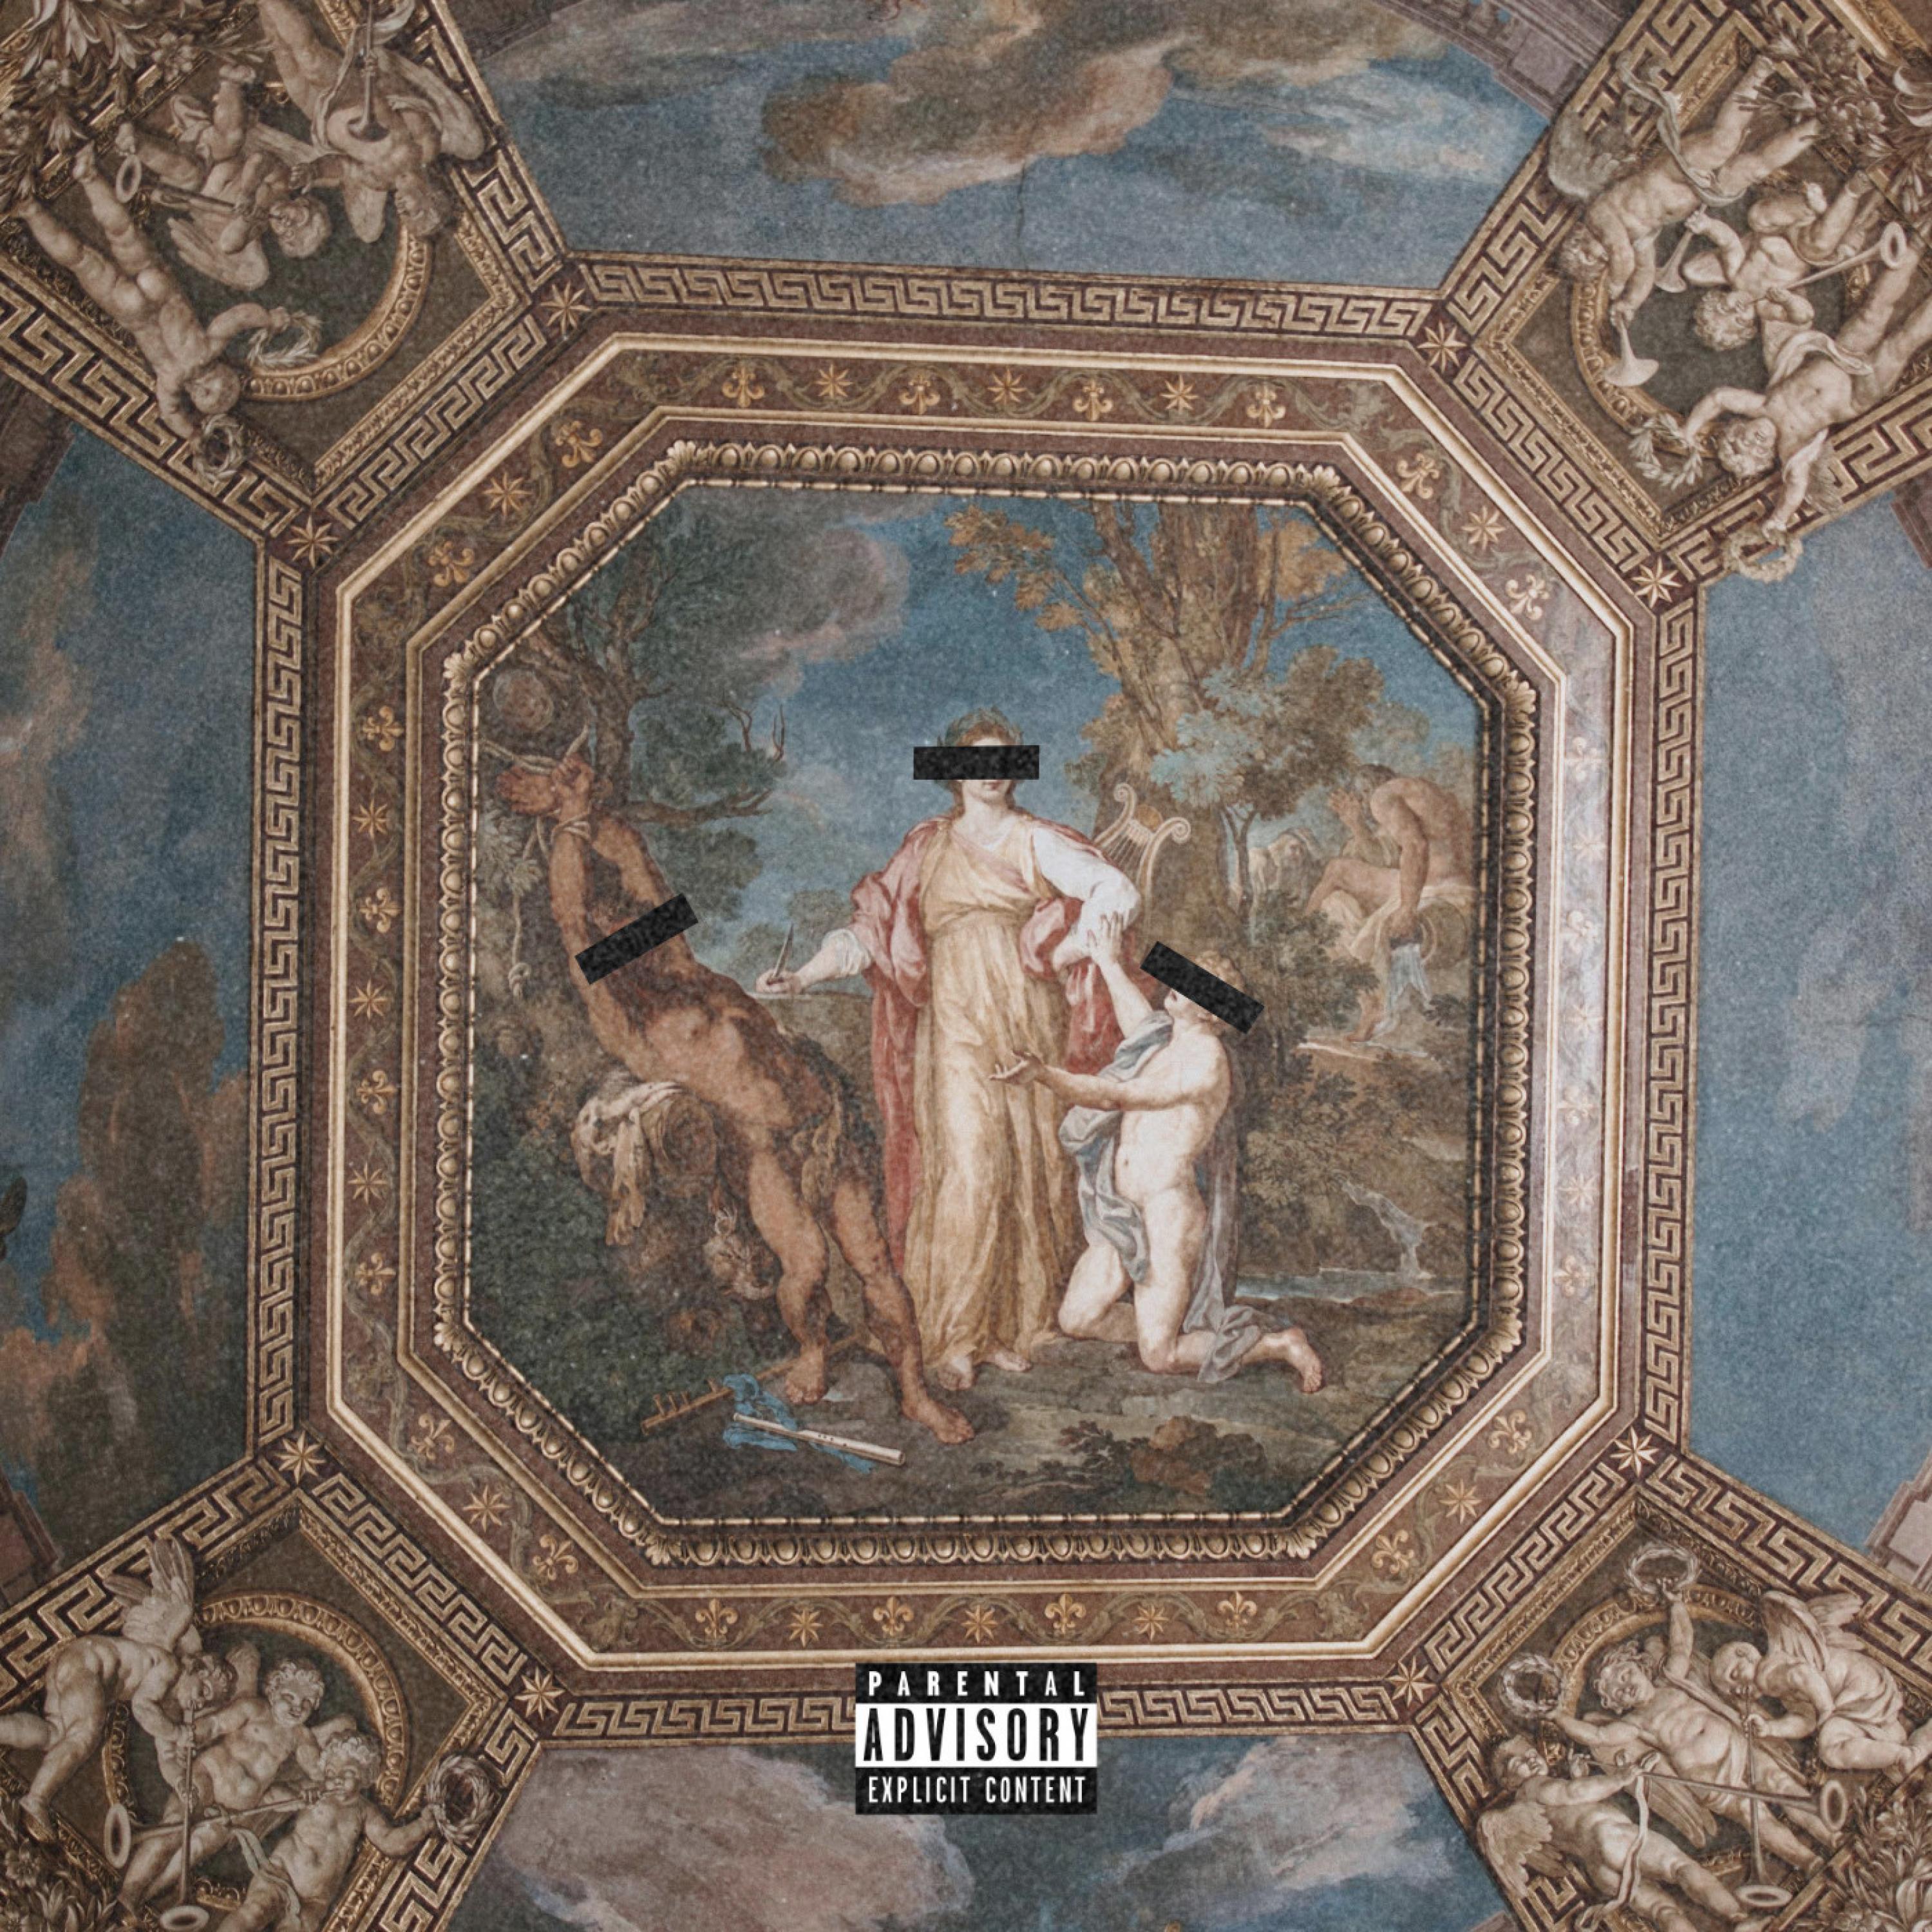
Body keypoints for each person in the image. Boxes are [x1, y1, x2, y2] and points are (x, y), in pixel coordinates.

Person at [498, 752, 971, 1445]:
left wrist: (586, 813)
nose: (657, 936)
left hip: (822, 1119)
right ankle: (812, 1348)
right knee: (806, 1265)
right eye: (630, 932)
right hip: (760, 1146)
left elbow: (646, 879)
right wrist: (569, 826)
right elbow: (573, 924)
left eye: (648, 925)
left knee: (874, 1263)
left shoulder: (692, 974)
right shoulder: (628, 1020)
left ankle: (915, 1393)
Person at [759, 710, 1139, 1392]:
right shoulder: (927, 849)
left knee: (1028, 1166)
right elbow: (870, 933)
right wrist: (804, 976)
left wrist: (1072, 947)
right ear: (954, 771)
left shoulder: (1034, 840)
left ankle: (1013, 1326)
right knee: (969, 1164)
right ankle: (957, 1335)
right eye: (977, 760)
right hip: (955, 1025)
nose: (992, 772)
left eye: (1004, 759)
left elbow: (1116, 891)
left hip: (1027, 1019)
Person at [991, 914, 1323, 1390]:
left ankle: (1278, 1344)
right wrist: (1108, 961)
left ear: (1211, 1012)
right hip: (1121, 1209)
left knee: (1161, 1357)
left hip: (1168, 1212)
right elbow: (1139, 1024)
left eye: (1193, 986)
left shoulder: (1207, 1061)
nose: (1177, 986)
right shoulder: (1166, 1039)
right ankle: (1163, 1326)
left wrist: (1044, 1075)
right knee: (1077, 1318)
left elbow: (1118, 1096)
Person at [16, 149, 294, 448]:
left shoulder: (208, 350)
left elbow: (237, 318)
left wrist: (268, 319)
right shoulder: (170, 380)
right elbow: (171, 413)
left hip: (158, 286)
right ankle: (30, 209)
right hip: (132, 309)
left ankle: (88, 175)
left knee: (122, 232)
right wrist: (192, 435)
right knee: (82, 260)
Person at [1554, 1586, 1833, 1873]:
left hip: (1736, 1746)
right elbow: (1598, 1736)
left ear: (1640, 1666)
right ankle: (1807, 1861)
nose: (1626, 1687)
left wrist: (1676, 1605)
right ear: (1616, 1704)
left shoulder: (1671, 1679)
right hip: (1707, 1777)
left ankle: (1830, 1836)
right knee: (1754, 1816)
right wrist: (1558, 1717)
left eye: (1625, 1675)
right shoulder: (1635, 1724)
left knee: (1780, 1784)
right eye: (1617, 1691)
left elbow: (1681, 1644)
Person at [1680, 238, 1932, 537]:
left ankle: (1917, 244)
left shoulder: (1761, 405)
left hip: (1838, 355)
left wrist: (1689, 430)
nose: (1756, 443)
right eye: (1757, 453)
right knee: (1900, 345)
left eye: (1743, 443)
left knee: (1873, 310)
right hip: (1856, 393)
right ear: (1767, 458)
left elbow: (1717, 399)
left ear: (1737, 428)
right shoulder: (1790, 446)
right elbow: (1795, 486)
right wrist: (1778, 520)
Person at [1557, 55, 1819, 325]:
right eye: (1599, 264)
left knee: (1723, 142)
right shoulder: (1639, 236)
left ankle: (1759, 71)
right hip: (1703, 193)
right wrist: (1630, 302)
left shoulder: (1599, 216)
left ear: (1579, 238)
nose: (1600, 258)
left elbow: (1621, 254)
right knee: (1755, 168)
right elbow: (1645, 272)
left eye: (1588, 255)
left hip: (1675, 170)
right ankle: (1817, 126)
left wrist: (1616, 285)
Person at [118, 1654, 354, 1909]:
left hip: (234, 1811)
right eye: (290, 1697)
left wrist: (316, 1790)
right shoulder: (254, 1709)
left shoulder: (303, 1738)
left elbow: (317, 1773)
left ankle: (143, 1899)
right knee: (173, 1829)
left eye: (306, 1703)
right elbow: (215, 1725)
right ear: (274, 1691)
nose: (297, 1707)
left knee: (194, 1850)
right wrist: (193, 1737)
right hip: (208, 1777)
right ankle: (129, 1890)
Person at [254, 0, 484, 242]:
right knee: (310, 59)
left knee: (287, 66)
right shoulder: (424, 149)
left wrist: (314, 170)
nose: (402, 212)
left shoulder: (379, 181)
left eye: (405, 219)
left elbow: (344, 167)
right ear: (432, 198)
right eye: (414, 213)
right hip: (354, 95)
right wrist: (376, 83)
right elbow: (406, 101)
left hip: (321, 116)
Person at [1478, 1735, 1761, 1932]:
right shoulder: (1535, 1787)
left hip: (1598, 1868)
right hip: (1612, 1837)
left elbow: (1570, 1816)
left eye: (1530, 1753)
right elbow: (1573, 1793)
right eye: (1518, 1762)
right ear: (1508, 1782)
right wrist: (1620, 1778)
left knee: (1661, 1910)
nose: (1530, 1760)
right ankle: (1738, 1918)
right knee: (1681, 1867)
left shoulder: (1525, 1811)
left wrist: (1578, 1776)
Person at [113, 64, 330, 292]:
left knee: (188, 173)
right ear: (302, 202)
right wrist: (248, 193)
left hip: (191, 187)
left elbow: (228, 245)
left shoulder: (254, 230)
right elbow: (259, 160)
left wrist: (245, 221)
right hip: (213, 153)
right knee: (232, 138)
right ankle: (230, 82)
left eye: (290, 237)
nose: (288, 226)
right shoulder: (282, 184)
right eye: (300, 220)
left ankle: (135, 143)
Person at [209, 1730, 441, 1932]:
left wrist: (423, 1826)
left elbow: (390, 1841)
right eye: (331, 1773)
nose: (337, 1779)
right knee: (254, 1912)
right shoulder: (314, 1792)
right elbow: (273, 1797)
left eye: (347, 1773)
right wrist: (297, 1797)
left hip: (315, 1899)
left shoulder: (364, 1812)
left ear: (364, 1776)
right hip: (280, 1875)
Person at [1305, 766, 1472, 1041]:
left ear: (1365, 792)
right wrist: (1357, 825)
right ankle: (1302, 931)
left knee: (1337, 872)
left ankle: (1298, 932)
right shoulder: (1428, 795)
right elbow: (1388, 857)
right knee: (1338, 877)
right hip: (1454, 887)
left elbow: (1416, 847)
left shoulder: (1383, 796)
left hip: (1437, 889)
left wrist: (1407, 908)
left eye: (1360, 798)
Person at [1712, 1591, 1932, 1776]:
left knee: (1831, 1750)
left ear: (1745, 1653)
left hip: (1853, 1687)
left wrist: (1826, 1710)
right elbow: (1806, 1721)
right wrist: (1771, 1728)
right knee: (1894, 1742)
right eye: (1732, 1691)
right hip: (1864, 1684)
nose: (1738, 1689)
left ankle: (1905, 1755)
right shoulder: (1782, 1691)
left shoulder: (1767, 1674)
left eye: (1733, 1675)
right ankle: (1920, 1745)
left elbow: (1802, 1674)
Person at [1678, 178, 1875, 354]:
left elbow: (1729, 242)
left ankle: (1811, 207)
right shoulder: (1766, 307)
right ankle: (1852, 191)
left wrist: (1708, 226)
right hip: (1805, 249)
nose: (1736, 310)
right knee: (1818, 246)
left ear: (1718, 297)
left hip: (1780, 227)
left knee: (1758, 217)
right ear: (1750, 326)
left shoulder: (1735, 275)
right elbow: (1804, 316)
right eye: (1739, 320)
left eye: (1725, 308)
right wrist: (1788, 301)